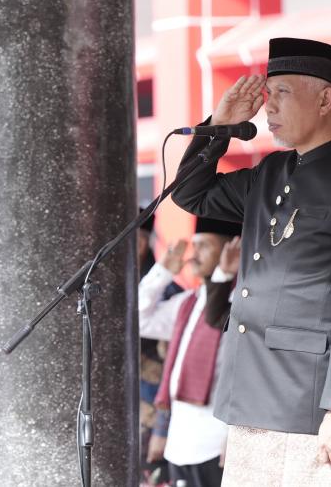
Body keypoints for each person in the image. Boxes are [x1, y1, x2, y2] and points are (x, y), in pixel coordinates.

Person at [171, 37, 331, 486]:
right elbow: (190, 194)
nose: (268, 107)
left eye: (282, 93)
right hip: (250, 392)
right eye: (266, 94)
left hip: (307, 403)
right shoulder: (271, 172)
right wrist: (218, 127)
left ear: (326, 99)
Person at [139, 217, 242, 487]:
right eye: (193, 246)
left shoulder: (241, 303)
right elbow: (139, 319)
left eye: (204, 246)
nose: (193, 254)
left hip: (217, 442)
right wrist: (162, 271)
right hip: (181, 441)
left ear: (230, 250)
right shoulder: (188, 302)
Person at [137, 208, 182, 485]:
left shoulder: (169, 293)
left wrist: (162, 429)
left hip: (153, 414)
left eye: (139, 241)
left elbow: (173, 369)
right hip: (119, 409)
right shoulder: (98, 288)